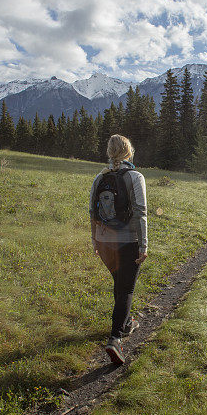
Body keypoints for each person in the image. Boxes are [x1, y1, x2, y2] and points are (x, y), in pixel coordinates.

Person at [89, 134, 148, 365]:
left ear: (109, 152)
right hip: (128, 242)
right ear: (128, 152)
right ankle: (115, 339)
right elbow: (141, 212)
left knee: (119, 283)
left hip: (104, 243)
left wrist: (95, 241)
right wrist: (143, 245)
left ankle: (126, 322)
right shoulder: (135, 176)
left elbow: (92, 213)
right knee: (125, 289)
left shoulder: (99, 178)